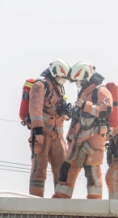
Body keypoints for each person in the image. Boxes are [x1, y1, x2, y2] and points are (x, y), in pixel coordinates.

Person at [53, 61, 110, 199]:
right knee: (66, 171)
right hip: (77, 141)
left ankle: (94, 205)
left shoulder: (100, 91)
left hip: (93, 142)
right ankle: (60, 200)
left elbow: (105, 110)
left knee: (92, 173)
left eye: (79, 81)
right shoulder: (84, 93)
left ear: (86, 76)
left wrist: (86, 105)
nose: (77, 84)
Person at [27, 59, 71, 197]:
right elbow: (35, 108)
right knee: (39, 168)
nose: (63, 80)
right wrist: (38, 130)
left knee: (62, 168)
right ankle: (36, 200)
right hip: (43, 135)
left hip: (57, 136)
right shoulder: (40, 85)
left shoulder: (57, 87)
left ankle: (61, 201)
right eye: (61, 76)